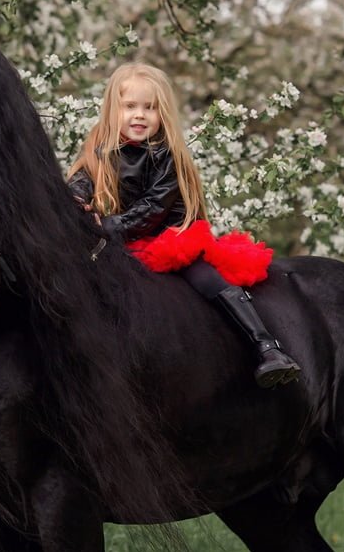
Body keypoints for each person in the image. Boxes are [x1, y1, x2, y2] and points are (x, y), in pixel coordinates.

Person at [67, 62, 301, 388]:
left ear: (162, 114)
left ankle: (266, 346)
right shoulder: (100, 150)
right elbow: (81, 180)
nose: (139, 115)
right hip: (125, 241)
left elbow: (154, 207)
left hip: (169, 238)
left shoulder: (167, 155)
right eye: (130, 106)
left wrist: (110, 226)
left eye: (149, 108)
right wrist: (75, 200)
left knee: (206, 280)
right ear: (113, 110)